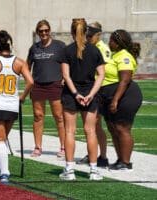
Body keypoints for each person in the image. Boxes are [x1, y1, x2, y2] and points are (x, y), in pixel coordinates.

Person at [0, 30, 33, 183]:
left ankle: (4, 172)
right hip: (11, 104)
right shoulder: (20, 62)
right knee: (2, 140)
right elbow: (31, 82)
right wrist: (22, 97)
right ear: (10, 46)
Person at [59, 18, 105, 181]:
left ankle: (70, 171)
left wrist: (76, 93)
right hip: (89, 94)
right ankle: (93, 171)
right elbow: (101, 75)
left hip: (72, 95)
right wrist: (91, 94)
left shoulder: (67, 50)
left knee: (70, 131)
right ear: (86, 32)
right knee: (90, 132)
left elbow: (66, 76)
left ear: (72, 32)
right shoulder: (94, 50)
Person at [100, 29, 142, 171]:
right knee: (113, 128)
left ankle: (126, 162)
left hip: (125, 96)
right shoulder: (115, 55)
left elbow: (124, 80)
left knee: (122, 128)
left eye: (111, 40)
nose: (109, 42)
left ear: (117, 43)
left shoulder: (124, 56)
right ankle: (120, 159)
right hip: (110, 95)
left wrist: (115, 100)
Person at [27, 19, 66, 157]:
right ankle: (38, 147)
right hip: (38, 85)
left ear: (50, 31)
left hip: (55, 85)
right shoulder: (34, 48)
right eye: (41, 31)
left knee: (59, 116)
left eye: (46, 30)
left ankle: (63, 147)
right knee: (38, 116)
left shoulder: (60, 46)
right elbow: (27, 67)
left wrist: (65, 78)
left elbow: (67, 63)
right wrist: (29, 81)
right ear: (38, 32)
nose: (44, 33)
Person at [76, 21, 111, 167]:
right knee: (93, 126)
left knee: (94, 125)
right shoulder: (91, 47)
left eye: (91, 35)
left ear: (98, 34)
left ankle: (101, 156)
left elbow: (104, 71)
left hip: (101, 89)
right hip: (92, 89)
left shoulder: (102, 48)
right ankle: (96, 155)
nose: (89, 38)